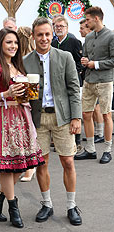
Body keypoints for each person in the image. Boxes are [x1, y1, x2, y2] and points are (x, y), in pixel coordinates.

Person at [0, 28, 45, 229]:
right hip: (5, 119)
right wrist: (6, 93)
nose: (13, 46)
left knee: (25, 164)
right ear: (1, 44)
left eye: (15, 43)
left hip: (22, 117)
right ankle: (13, 208)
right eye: (9, 42)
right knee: (7, 167)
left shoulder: (18, 66)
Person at [23, 17, 82, 226]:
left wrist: (76, 117)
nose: (44, 38)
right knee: (42, 163)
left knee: (68, 161)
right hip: (37, 118)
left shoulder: (65, 57)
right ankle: (47, 204)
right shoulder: (25, 61)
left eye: (48, 34)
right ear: (33, 36)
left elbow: (74, 89)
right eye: (40, 34)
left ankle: (71, 205)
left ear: (52, 34)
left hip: (63, 117)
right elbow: (22, 95)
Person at [74, 7, 114, 164]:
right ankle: (90, 149)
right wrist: (85, 61)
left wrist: (94, 64)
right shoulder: (89, 37)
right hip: (89, 80)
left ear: (96, 19)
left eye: (88, 19)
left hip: (105, 80)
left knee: (106, 115)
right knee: (86, 115)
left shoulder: (111, 36)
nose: (86, 22)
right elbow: (86, 57)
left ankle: (107, 150)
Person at [51, 16, 83, 154]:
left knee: (75, 110)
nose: (58, 28)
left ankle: (78, 141)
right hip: (57, 84)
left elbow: (80, 63)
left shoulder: (74, 42)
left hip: (72, 81)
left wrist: (69, 72)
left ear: (67, 28)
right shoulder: (52, 43)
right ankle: (61, 139)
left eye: (61, 26)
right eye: (56, 26)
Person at [79, 19, 104, 143]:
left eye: (83, 28)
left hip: (97, 79)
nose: (80, 30)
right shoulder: (86, 42)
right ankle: (96, 133)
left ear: (89, 30)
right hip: (88, 77)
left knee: (97, 107)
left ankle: (100, 133)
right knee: (92, 108)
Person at [17, 26, 36, 182]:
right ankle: (27, 166)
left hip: (27, 100)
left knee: (28, 133)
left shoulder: (31, 57)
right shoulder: (17, 58)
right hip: (21, 100)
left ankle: (30, 167)